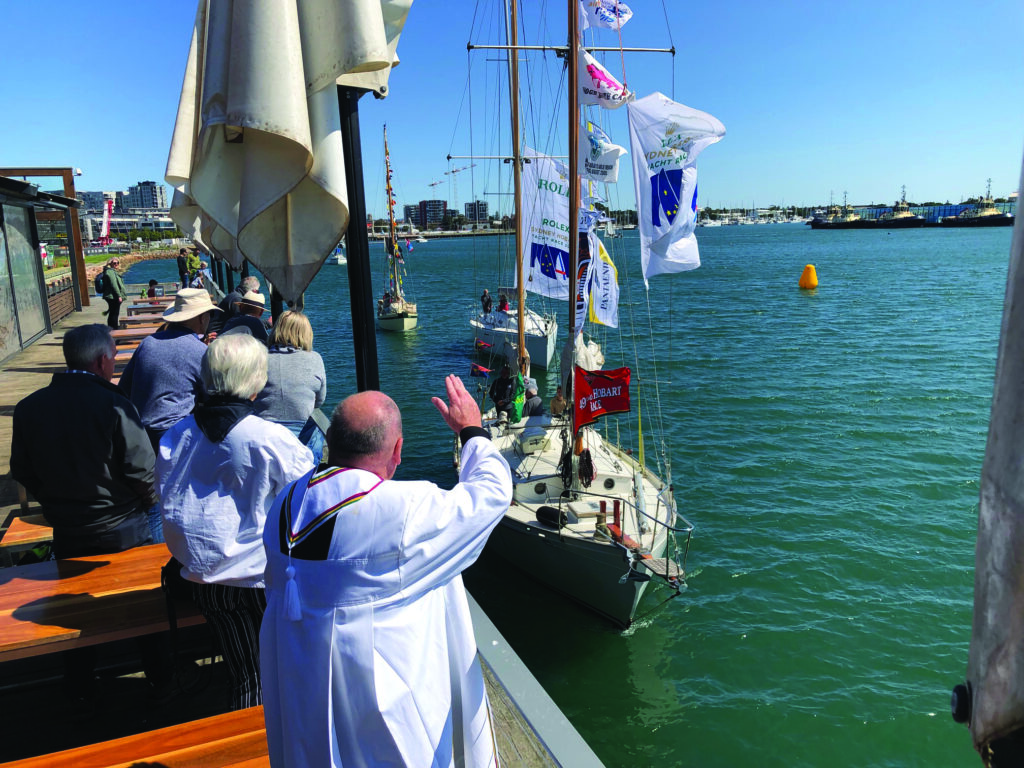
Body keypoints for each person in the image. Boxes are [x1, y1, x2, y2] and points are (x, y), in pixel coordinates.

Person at [260, 376, 512, 767]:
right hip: (374, 702)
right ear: (397, 450)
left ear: (334, 443)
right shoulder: (403, 512)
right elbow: (490, 494)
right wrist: (472, 431)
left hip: (300, 683)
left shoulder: (285, 505)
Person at [158, 334, 315, 711]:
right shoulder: (269, 439)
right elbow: (308, 500)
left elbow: (169, 503)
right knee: (284, 670)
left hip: (204, 578)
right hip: (264, 579)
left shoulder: (175, 436)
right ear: (256, 381)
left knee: (246, 671)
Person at [11, 324, 157, 558]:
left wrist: (54, 501)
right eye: (113, 356)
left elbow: (21, 469)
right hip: (122, 527)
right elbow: (142, 472)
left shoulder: (28, 407)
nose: (113, 362)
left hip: (66, 528)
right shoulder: (116, 406)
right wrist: (149, 503)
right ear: (101, 361)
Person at [120, 287, 221, 451]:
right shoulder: (200, 351)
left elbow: (124, 387)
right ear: (202, 318)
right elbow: (212, 395)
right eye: (210, 314)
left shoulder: (148, 342)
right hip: (174, 435)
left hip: (138, 432)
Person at [254, 311, 327, 464]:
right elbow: (319, 401)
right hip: (299, 437)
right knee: (318, 432)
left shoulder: (258, 357)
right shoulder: (315, 358)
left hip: (263, 433)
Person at [101, 257, 128, 329]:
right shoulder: (110, 272)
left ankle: (111, 328)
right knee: (114, 314)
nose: (116, 264)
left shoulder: (111, 271)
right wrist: (119, 296)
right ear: (110, 263)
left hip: (112, 296)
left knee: (113, 313)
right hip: (112, 296)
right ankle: (114, 328)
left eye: (117, 263)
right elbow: (114, 285)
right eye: (114, 263)